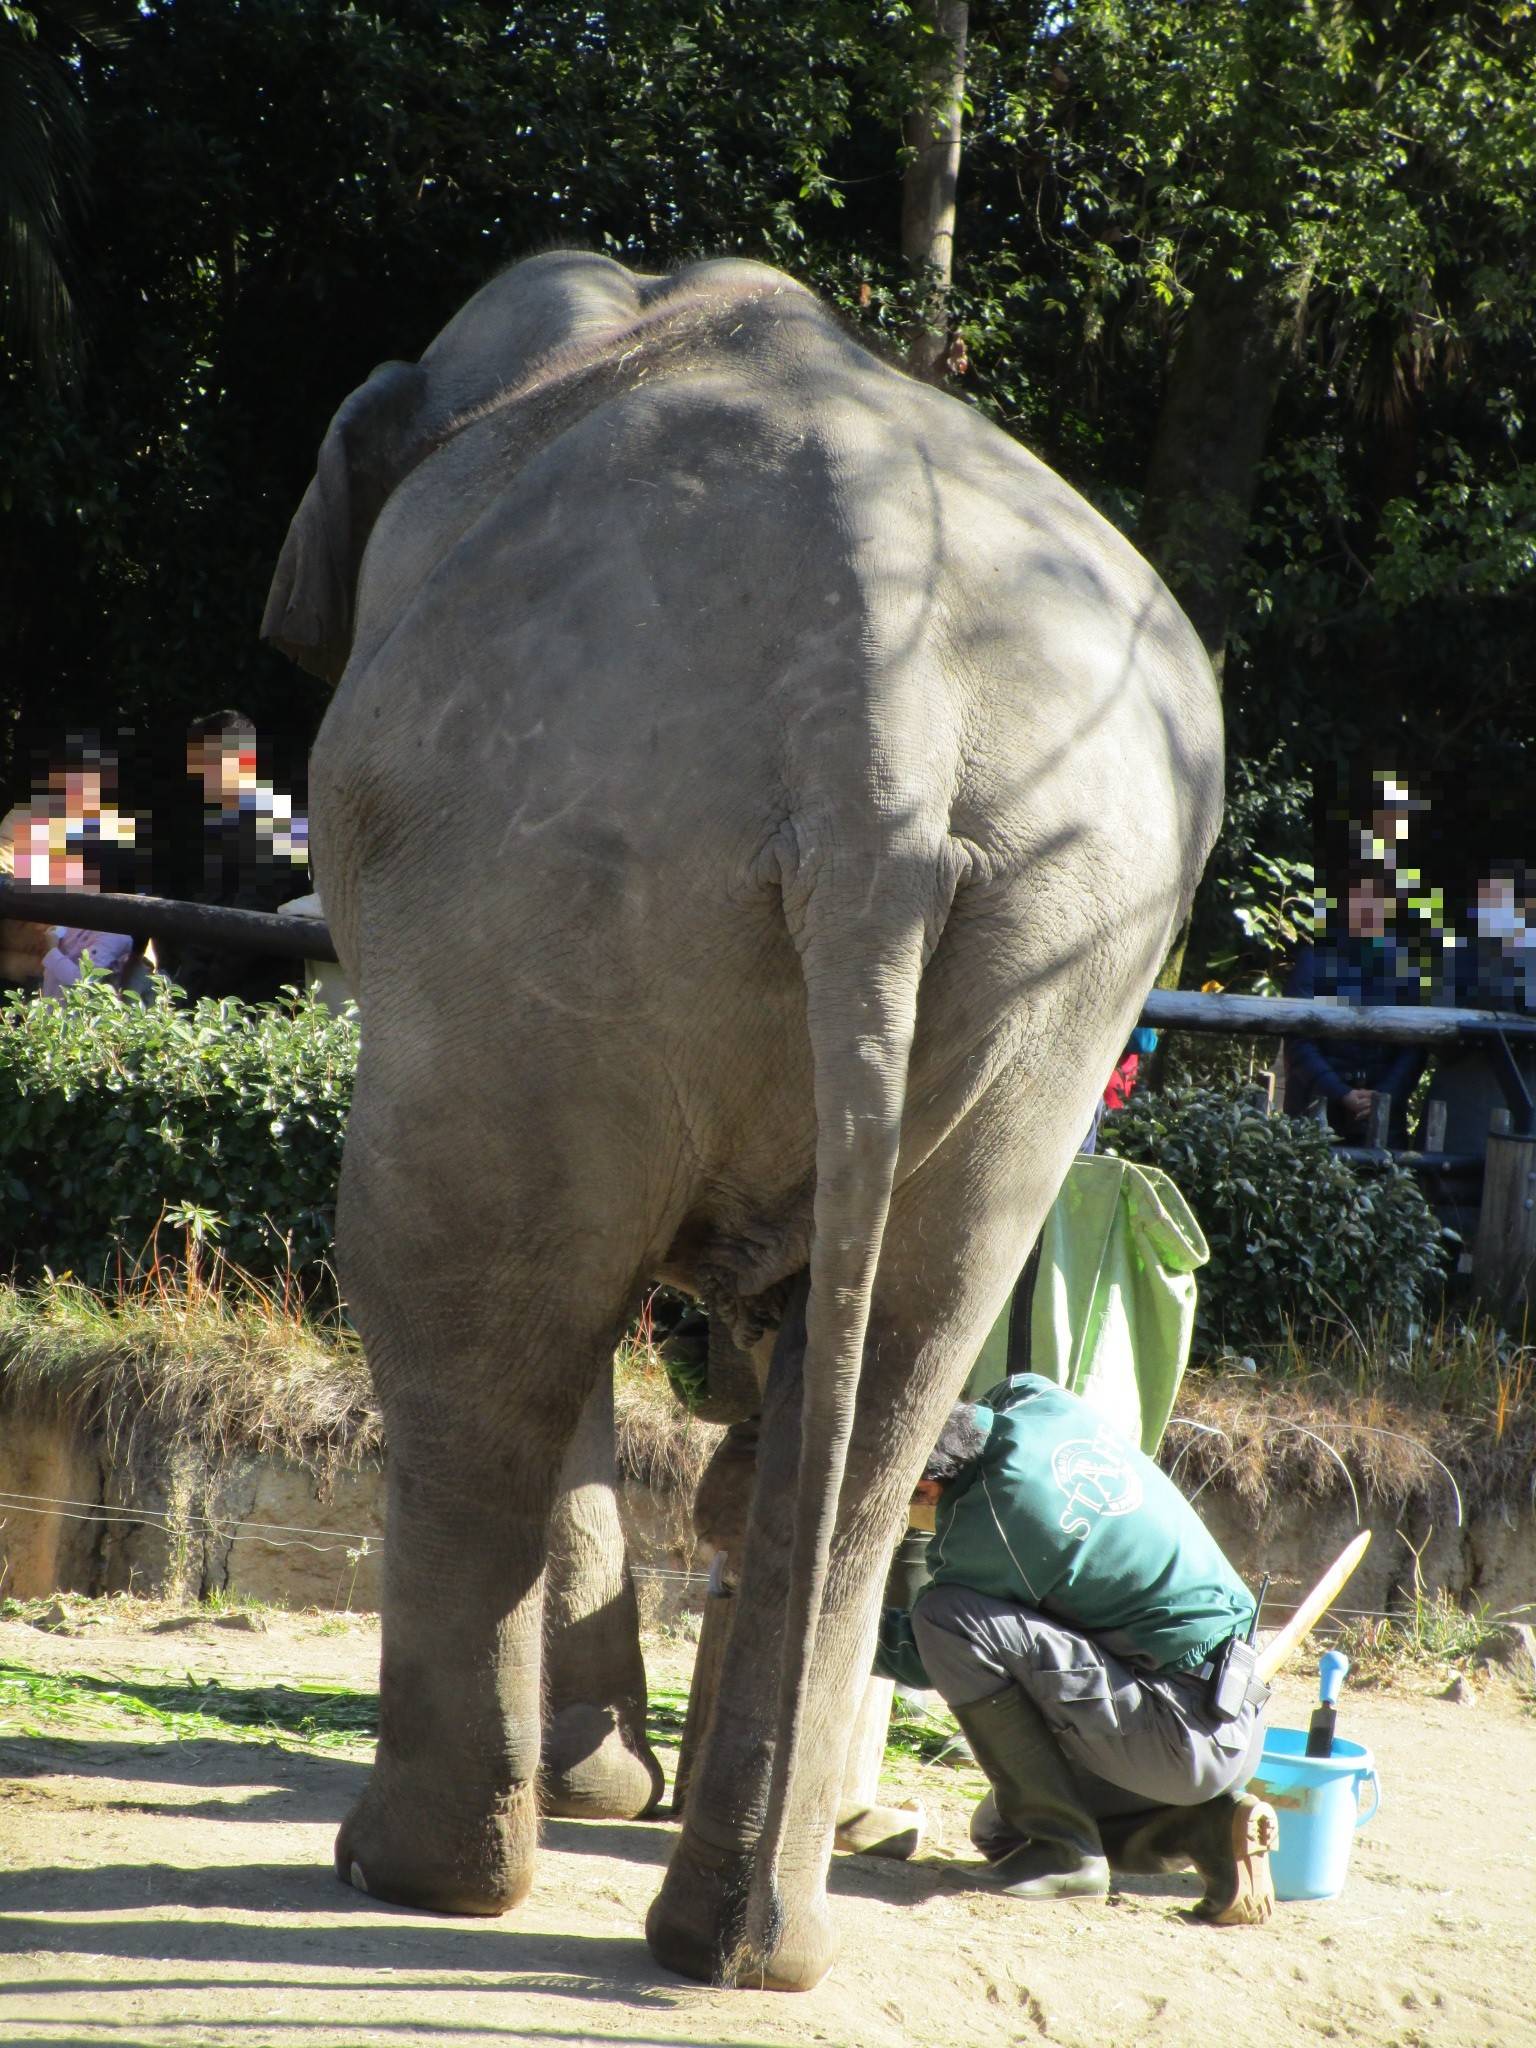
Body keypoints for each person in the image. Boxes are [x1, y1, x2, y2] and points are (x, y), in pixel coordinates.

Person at [876, 1377, 1276, 1924]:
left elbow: (925, 1652)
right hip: (1239, 1716)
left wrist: (807, 1625)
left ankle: (1065, 1853)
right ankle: (1208, 1830)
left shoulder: (986, 1528)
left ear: (926, 1487)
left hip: (1175, 1736)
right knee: (1000, 1830)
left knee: (943, 1619)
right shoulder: (1034, 1398)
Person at [163, 709, 311, 1002]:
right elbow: (208, 907)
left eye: (207, 763)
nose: (198, 774)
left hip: (261, 994)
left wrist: (206, 992)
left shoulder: (280, 820)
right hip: (217, 988)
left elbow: (256, 911)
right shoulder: (225, 822)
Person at [1283, 867, 1424, 1145]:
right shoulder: (1314, 960)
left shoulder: (1405, 967)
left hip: (1383, 1118)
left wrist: (1385, 1094)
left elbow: (1416, 1044)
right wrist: (1340, 1092)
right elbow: (1298, 1039)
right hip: (1315, 1110)